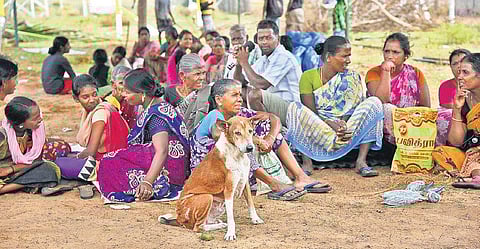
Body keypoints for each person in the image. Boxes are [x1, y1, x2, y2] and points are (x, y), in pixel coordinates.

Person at [248, 36, 384, 177]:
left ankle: (361, 161)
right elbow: (309, 112)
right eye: (344, 56)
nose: (348, 61)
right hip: (317, 126)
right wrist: (330, 123)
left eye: (349, 56)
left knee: (374, 102)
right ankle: (307, 162)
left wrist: (342, 125)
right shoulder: (308, 77)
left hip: (346, 129)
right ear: (329, 57)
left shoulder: (353, 77)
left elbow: (353, 109)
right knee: (298, 110)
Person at [189, 79, 329, 200]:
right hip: (208, 170)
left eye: (240, 95)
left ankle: (300, 177)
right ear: (219, 100)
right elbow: (218, 135)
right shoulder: (215, 115)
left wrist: (269, 138)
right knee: (238, 145)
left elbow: (273, 118)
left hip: (231, 167)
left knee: (265, 128)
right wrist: (256, 140)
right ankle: (273, 183)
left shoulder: (241, 114)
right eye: (234, 95)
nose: (239, 99)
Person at [97, 69, 190, 202]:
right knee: (116, 156)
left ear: (143, 94)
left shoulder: (156, 117)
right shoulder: (157, 105)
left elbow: (162, 151)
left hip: (169, 168)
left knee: (108, 162)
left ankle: (155, 184)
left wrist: (148, 182)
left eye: (128, 92)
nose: (124, 95)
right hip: (172, 162)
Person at [53, 75, 129, 184]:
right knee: (63, 152)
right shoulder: (101, 108)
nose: (92, 100)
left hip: (106, 165)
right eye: (85, 97)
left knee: (58, 163)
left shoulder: (100, 113)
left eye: (94, 94)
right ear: (76, 98)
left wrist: (76, 157)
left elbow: (91, 152)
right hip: (114, 159)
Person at [365, 33, 430, 145]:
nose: (390, 56)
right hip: (383, 125)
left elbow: (426, 106)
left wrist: (411, 119)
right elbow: (381, 100)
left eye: (395, 52)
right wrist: (386, 72)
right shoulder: (374, 73)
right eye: (387, 51)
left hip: (412, 122)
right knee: (387, 109)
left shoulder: (415, 73)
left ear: (406, 56)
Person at [0, 97, 68, 195]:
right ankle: (28, 184)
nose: (40, 119)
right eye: (35, 118)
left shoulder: (33, 132)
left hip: (17, 170)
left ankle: (13, 187)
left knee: (49, 169)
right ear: (20, 124)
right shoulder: (2, 135)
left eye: (39, 115)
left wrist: (10, 169)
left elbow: (36, 161)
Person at [432, 53, 480, 189]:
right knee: (441, 153)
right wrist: (457, 109)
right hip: (473, 152)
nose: (459, 77)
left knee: (473, 155)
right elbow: (456, 141)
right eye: (459, 72)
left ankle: (476, 175)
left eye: (465, 72)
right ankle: (476, 173)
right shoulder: (464, 99)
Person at [234, 20, 301, 103]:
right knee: (239, 93)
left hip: (290, 106)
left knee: (254, 95)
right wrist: (239, 63)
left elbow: (261, 85)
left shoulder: (283, 56)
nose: (264, 42)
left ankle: (263, 116)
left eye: (268, 38)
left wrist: (244, 62)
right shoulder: (264, 59)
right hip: (274, 103)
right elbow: (239, 83)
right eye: (261, 38)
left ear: (278, 39)